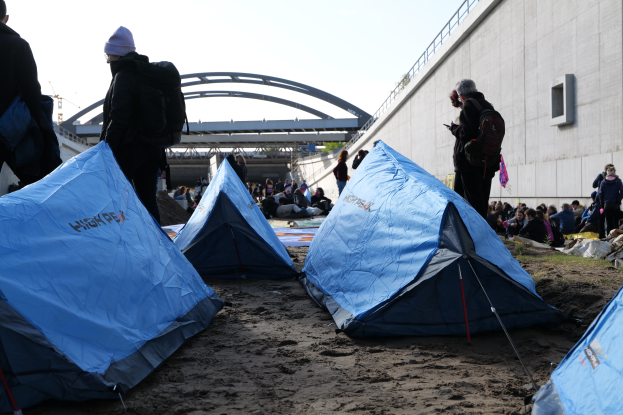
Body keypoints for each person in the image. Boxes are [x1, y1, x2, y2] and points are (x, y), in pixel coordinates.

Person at [99, 26, 164, 223]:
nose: (107, 61)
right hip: (152, 150)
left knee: (120, 203)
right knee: (148, 202)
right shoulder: (148, 73)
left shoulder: (123, 76)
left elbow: (118, 118)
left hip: (129, 151)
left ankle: (125, 247)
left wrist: (105, 150)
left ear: (115, 54)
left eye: (108, 56)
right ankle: (158, 248)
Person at [0, 1, 62, 186]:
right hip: (8, 129)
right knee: (36, 180)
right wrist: (41, 124)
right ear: (6, 18)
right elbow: (31, 91)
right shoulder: (18, 45)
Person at [447, 80, 499, 219]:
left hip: (469, 162)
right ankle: (481, 234)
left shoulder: (469, 105)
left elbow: (466, 133)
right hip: (487, 161)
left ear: (461, 95)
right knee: (480, 200)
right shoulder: (486, 104)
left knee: (466, 202)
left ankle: (471, 236)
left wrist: (453, 128)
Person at [599, 165, 623, 235]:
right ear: (614, 172)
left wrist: (602, 205)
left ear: (607, 172)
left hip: (607, 205)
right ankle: (615, 239)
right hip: (616, 205)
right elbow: (622, 191)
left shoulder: (603, 182)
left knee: (609, 223)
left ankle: (609, 239)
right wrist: (618, 200)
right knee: (616, 223)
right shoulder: (618, 181)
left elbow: (601, 194)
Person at [593, 164, 613, 238]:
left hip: (601, 203)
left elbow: (593, 185)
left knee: (601, 220)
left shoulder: (601, 176)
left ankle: (601, 236)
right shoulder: (614, 178)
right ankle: (609, 236)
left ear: (605, 169)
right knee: (609, 220)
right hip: (610, 202)